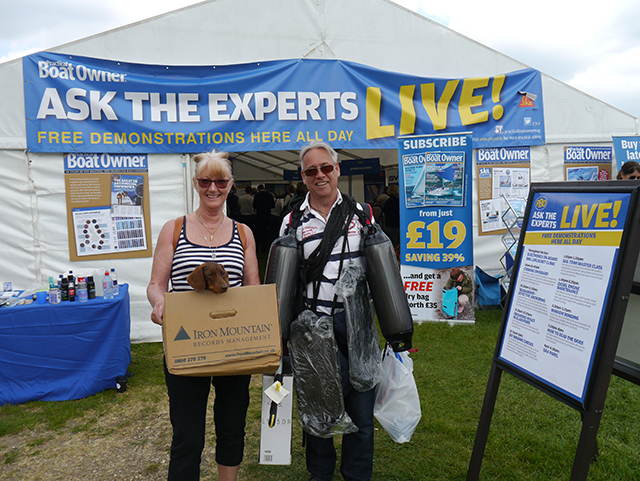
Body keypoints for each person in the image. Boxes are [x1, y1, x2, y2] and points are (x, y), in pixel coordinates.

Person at [147, 151, 260, 481]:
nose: (213, 188)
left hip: (234, 344)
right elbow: (156, 284)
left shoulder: (244, 233)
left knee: (231, 426)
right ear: (195, 184)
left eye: (220, 181)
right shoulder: (174, 229)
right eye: (205, 181)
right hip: (187, 346)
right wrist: (159, 303)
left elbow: (253, 290)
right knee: (187, 435)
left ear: (230, 186)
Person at [280, 141, 375, 481]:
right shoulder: (292, 221)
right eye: (311, 171)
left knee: (362, 418)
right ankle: (319, 475)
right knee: (319, 416)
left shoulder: (362, 214)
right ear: (303, 177)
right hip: (312, 329)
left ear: (337, 170)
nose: (319, 175)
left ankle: (357, 476)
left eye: (326, 168)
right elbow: (284, 285)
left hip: (357, 327)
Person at [253, 184, 275, 252]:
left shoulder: (257, 195)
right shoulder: (269, 195)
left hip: (259, 216)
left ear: (258, 189)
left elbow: (254, 205)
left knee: (258, 232)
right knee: (265, 231)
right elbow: (272, 205)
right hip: (267, 215)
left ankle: (257, 246)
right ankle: (264, 247)